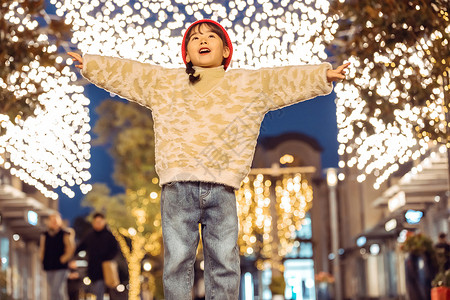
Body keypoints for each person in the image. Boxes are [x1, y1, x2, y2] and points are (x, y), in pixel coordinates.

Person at [68, 19, 349, 299]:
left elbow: (283, 80)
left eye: (210, 37)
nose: (202, 41)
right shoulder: (164, 83)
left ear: (226, 50)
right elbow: (132, 74)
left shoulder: (248, 84)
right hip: (177, 186)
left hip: (223, 185)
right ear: (186, 55)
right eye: (194, 38)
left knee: (224, 262)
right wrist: (92, 65)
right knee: (177, 262)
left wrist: (322, 76)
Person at [75, 212, 119, 300]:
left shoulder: (109, 236)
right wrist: (73, 257)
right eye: (96, 221)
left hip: (105, 270)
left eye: (100, 221)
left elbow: (115, 250)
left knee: (99, 291)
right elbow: (80, 247)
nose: (98, 223)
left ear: (104, 222)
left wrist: (107, 259)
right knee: (94, 291)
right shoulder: (89, 235)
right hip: (92, 269)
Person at [40, 213, 75, 300]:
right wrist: (41, 258)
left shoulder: (64, 233)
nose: (54, 222)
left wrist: (64, 258)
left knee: (56, 289)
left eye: (56, 220)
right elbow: (42, 248)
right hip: (48, 265)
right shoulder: (44, 235)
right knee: (55, 290)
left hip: (61, 266)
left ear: (60, 221)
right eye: (52, 220)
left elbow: (71, 248)